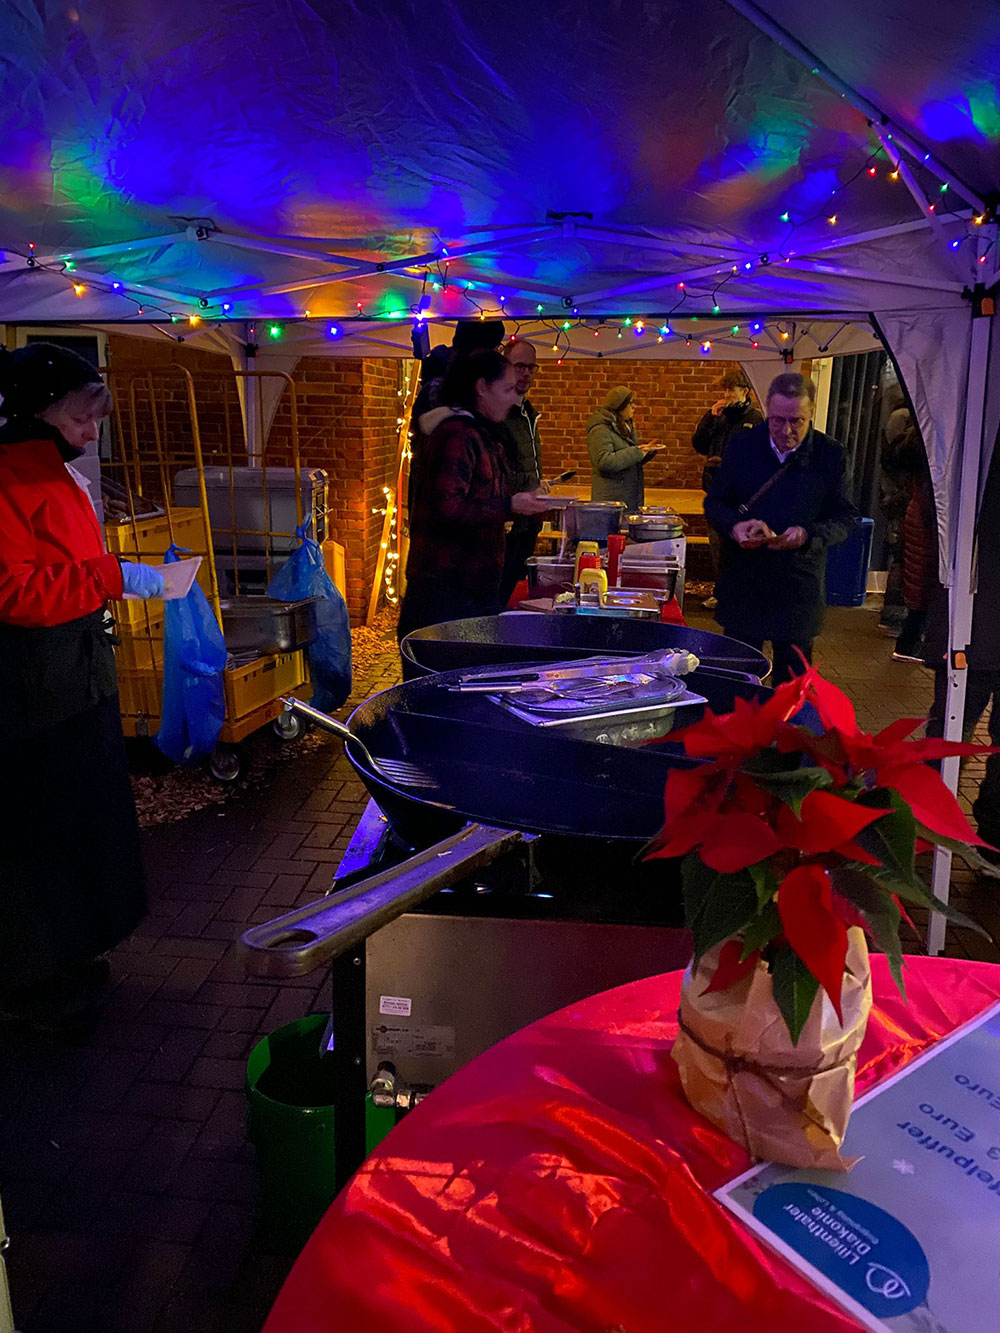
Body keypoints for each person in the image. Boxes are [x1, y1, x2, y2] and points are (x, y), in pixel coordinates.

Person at [0, 342, 165, 1033]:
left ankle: (70, 950)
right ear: (41, 411)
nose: (92, 432)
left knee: (80, 823)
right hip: (36, 689)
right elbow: (13, 591)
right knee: (42, 834)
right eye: (81, 417)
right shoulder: (11, 478)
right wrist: (109, 576)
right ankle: (31, 980)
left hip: (76, 675)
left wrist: (108, 571)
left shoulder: (54, 472)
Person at [704, 371, 856, 685]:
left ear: (811, 413)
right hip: (745, 582)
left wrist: (807, 534)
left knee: (793, 692)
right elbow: (715, 503)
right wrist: (736, 527)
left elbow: (844, 519)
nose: (785, 430)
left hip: (797, 587)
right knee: (737, 687)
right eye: (776, 421)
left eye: (796, 421)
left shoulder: (830, 455)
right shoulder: (743, 446)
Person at [397, 349, 552, 642]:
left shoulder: (483, 434)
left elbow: (482, 492)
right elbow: (448, 508)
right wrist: (509, 505)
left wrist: (522, 499)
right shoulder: (457, 435)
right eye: (506, 389)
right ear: (481, 388)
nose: (512, 397)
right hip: (445, 596)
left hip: (471, 590)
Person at [691, 369, 764, 609]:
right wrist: (709, 419)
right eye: (724, 390)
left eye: (730, 390)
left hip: (741, 497)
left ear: (744, 392)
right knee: (717, 546)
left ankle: (737, 594)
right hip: (716, 492)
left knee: (736, 547)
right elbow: (700, 445)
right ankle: (721, 591)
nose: (726, 395)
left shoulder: (754, 420)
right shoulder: (719, 418)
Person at [498, 339, 544, 605]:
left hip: (529, 520)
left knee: (515, 591)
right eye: (519, 366)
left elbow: (525, 462)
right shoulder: (501, 412)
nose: (526, 373)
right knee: (500, 594)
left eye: (531, 367)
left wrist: (539, 485)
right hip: (507, 519)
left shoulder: (527, 411)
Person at [586, 386, 660, 511]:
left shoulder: (625, 426)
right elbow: (604, 461)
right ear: (619, 406)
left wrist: (645, 453)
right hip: (610, 502)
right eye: (630, 403)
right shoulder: (600, 429)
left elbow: (625, 461)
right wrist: (636, 452)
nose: (634, 407)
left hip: (628, 498)